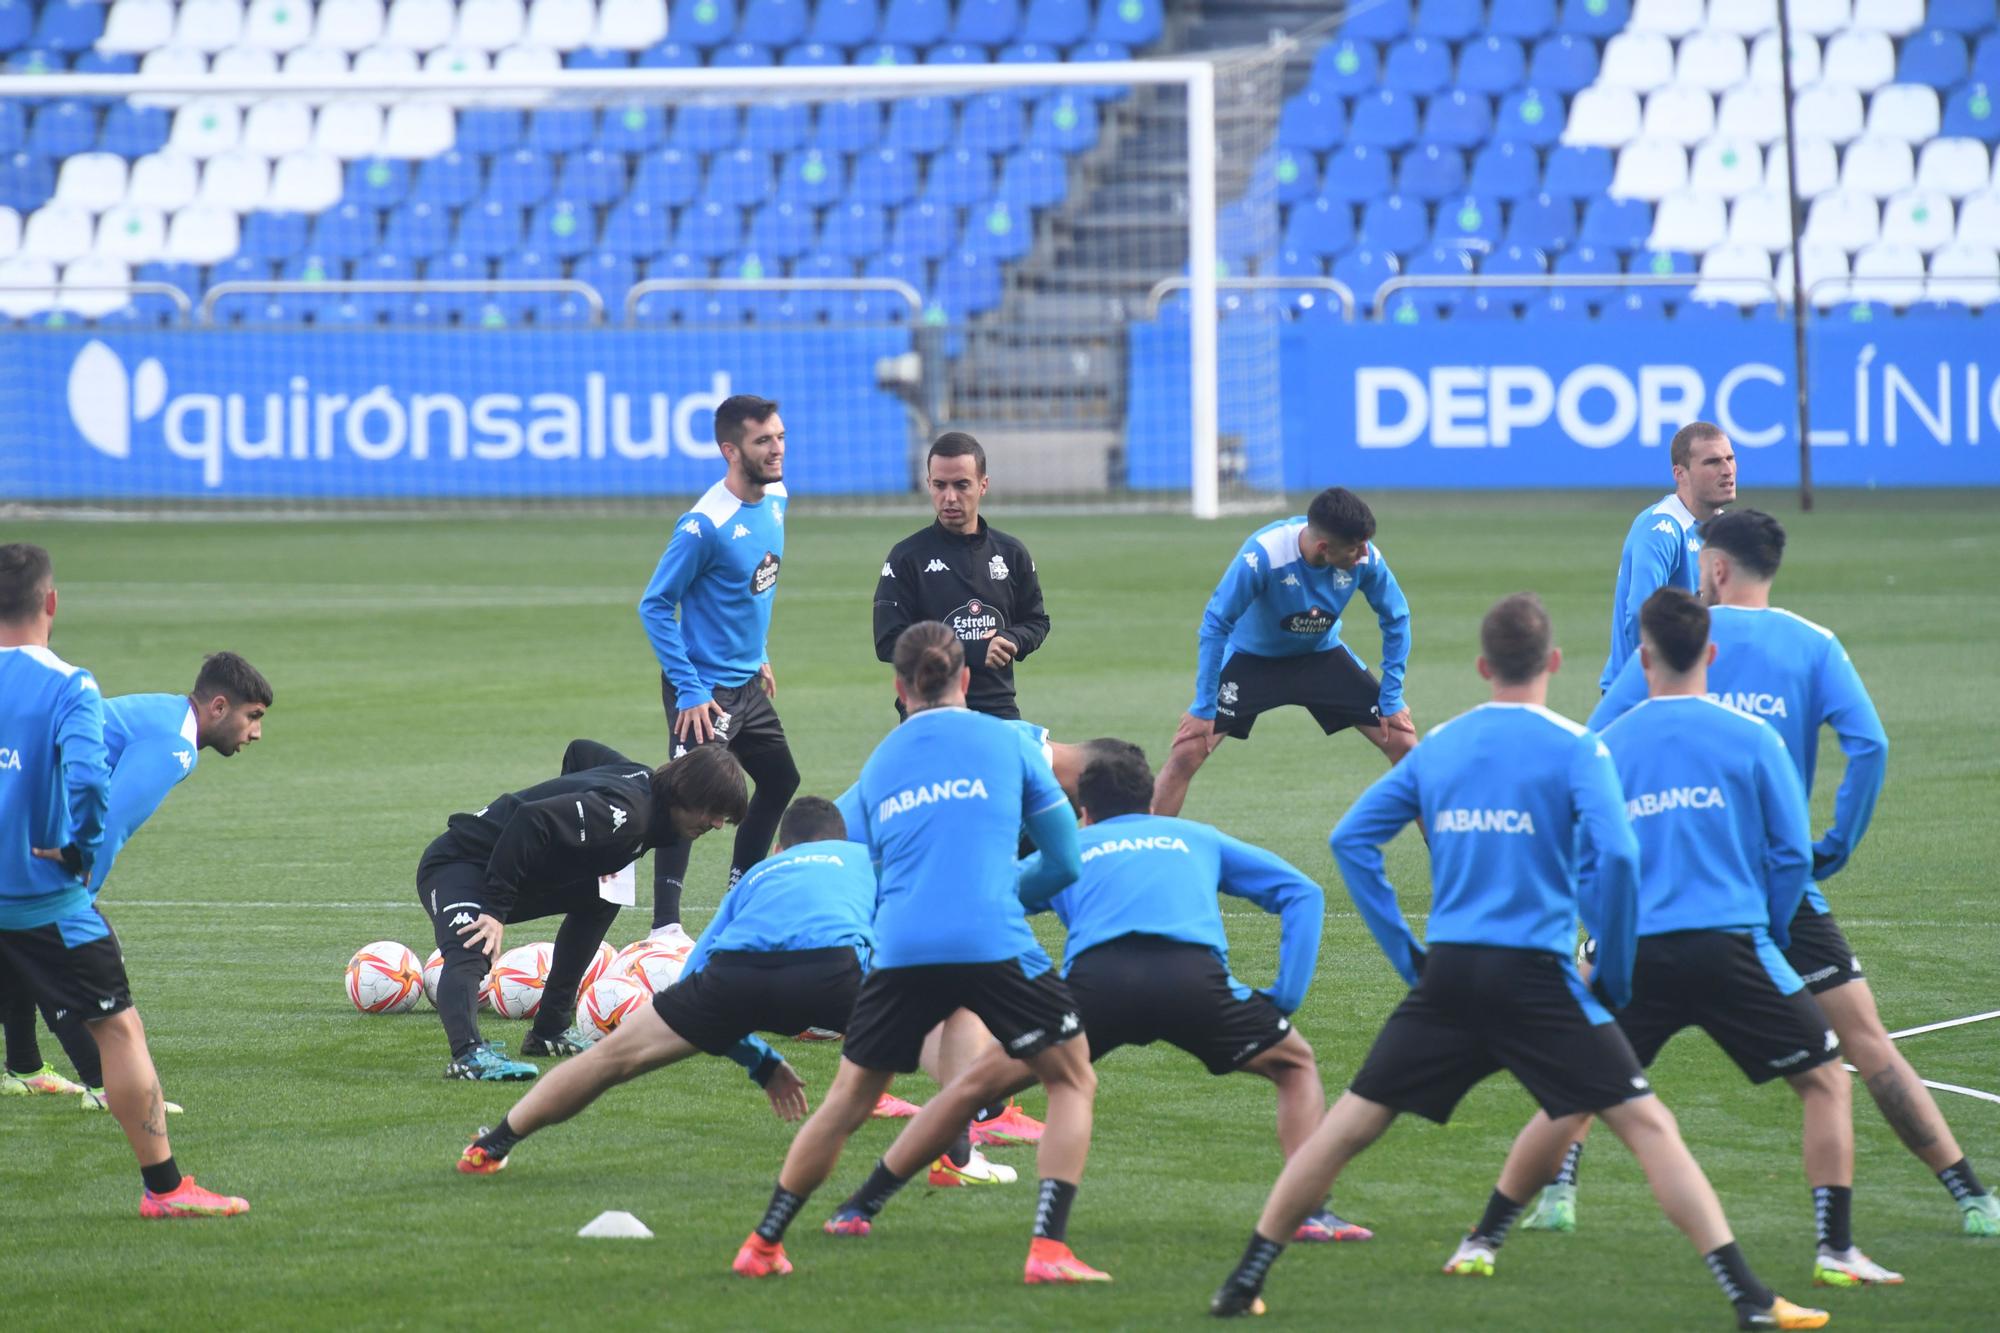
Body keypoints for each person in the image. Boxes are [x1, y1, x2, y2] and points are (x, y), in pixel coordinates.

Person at [1207, 593, 1825, 1332]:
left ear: (1481, 666)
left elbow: (1352, 841)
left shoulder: (1441, 744)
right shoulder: (1578, 747)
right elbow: (1621, 857)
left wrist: (1406, 951)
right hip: (1536, 977)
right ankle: (1751, 1299)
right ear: (1554, 663)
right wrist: (1619, 964)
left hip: (1452, 975)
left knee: (1346, 1129)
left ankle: (1243, 1279)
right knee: (1649, 1127)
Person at [1578, 508, 2000, 1237]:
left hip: (1667, 888)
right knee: (1865, 1046)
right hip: (1777, 886)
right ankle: (1969, 1196)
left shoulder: (1685, 642)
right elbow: (1869, 744)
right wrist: (1833, 843)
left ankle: (1553, 1190)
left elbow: (1592, 748)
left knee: (1591, 1048)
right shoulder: (1814, 645)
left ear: (1713, 569)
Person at [1501, 589, 1899, 1288]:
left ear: (1642, 656)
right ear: (1710, 654)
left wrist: (1604, 941)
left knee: (1575, 1088)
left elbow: (1582, 855)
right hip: (1735, 948)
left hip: (1640, 951)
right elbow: (1787, 857)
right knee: (1825, 1081)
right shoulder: (1755, 738)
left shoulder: (1602, 745)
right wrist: (1770, 929)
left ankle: (1484, 1236)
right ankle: (1835, 1248)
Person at [823, 739, 1370, 1246]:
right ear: (1152, 802)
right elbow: (1303, 893)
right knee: (1295, 1065)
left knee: (971, 1089)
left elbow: (986, 903)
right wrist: (1284, 996)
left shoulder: (1073, 850)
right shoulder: (1195, 838)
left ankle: (860, 1206)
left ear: (1081, 811)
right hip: (1193, 983)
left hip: (1095, 990)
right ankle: (1311, 1213)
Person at [731, 622, 1104, 1285]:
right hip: (992, 938)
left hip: (902, 947)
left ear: (899, 688)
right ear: (965, 677)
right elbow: (1065, 858)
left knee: (847, 1101)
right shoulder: (1009, 741)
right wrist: (1006, 892)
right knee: (1072, 1078)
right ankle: (1048, 1249)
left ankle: (764, 1241)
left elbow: (848, 857)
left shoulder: (882, 763)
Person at [0, 543, 246, 1219]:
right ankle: (165, 1189)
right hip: (41, 896)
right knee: (119, 1030)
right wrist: (79, 852)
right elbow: (87, 779)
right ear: (51, 603)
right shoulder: (69, 685)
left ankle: (22, 1064)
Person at [456, 797, 873, 1173]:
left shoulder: (760, 874)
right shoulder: (863, 861)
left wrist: (757, 1060)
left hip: (734, 976)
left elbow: (695, 971)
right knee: (934, 1027)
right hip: (834, 972)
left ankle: (490, 1146)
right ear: (841, 840)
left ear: (780, 848)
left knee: (608, 1061)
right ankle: (936, 1158)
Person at [2, 653, 272, 1109]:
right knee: (69, 955)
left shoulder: (164, 713)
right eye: (254, 717)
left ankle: (25, 1069)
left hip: (16, 815)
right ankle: (107, 1087)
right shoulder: (175, 743)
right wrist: (74, 906)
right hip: (24, 829)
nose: (257, 732)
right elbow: (108, 823)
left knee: (18, 946)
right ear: (220, 707)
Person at [418, 740, 747, 1081]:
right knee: (472, 946)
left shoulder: (643, 787)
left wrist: (570, 812)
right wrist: (494, 910)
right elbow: (530, 818)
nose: (718, 824)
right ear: (688, 791)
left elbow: (580, 752)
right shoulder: (628, 814)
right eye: (714, 810)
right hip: (458, 863)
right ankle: (468, 1054)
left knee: (603, 896)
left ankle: (549, 1031)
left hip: (513, 866)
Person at [637, 394, 799, 951]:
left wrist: (762, 652)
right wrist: (689, 690)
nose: (776, 449)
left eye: (779, 437)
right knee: (684, 804)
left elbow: (751, 590)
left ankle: (738, 901)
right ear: (731, 450)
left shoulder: (777, 497)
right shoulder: (703, 525)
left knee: (780, 780)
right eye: (763, 441)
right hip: (704, 691)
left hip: (749, 682)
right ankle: (664, 930)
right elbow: (655, 605)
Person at [1153, 486, 1413, 818]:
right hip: (1252, 660)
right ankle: (1147, 851)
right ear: (1323, 547)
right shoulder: (1263, 555)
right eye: (1355, 548)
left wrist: (1391, 697)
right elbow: (1215, 623)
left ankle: (1448, 861)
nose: (1364, 554)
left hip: (1322, 657)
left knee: (1404, 743)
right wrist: (1204, 707)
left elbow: (1396, 617)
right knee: (1186, 753)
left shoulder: (1366, 558)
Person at [871, 431, 1049, 720]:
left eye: (961, 485)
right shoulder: (906, 558)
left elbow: (1036, 621)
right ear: (928, 484)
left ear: (983, 485)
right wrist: (976, 649)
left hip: (998, 710)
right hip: (929, 711)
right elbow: (887, 642)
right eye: (940, 485)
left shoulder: (1011, 553)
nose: (949, 497)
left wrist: (1014, 639)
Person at [1600, 420, 1736, 693]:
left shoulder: (1726, 531)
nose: (1727, 470)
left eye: (1730, 458)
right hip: (1644, 692)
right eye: (1712, 462)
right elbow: (1641, 614)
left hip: (1691, 688)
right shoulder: (1662, 529)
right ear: (1680, 473)